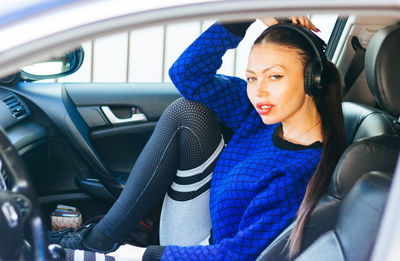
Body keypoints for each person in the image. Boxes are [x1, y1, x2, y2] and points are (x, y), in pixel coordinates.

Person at [51, 16, 346, 260]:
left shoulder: (301, 169)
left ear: (312, 79)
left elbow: (233, 254)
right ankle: (103, 236)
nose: (259, 91)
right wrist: (244, 16)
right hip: (211, 213)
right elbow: (188, 74)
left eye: (275, 76)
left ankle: (101, 240)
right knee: (189, 111)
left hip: (207, 248)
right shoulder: (260, 117)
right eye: (252, 78)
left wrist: (143, 256)